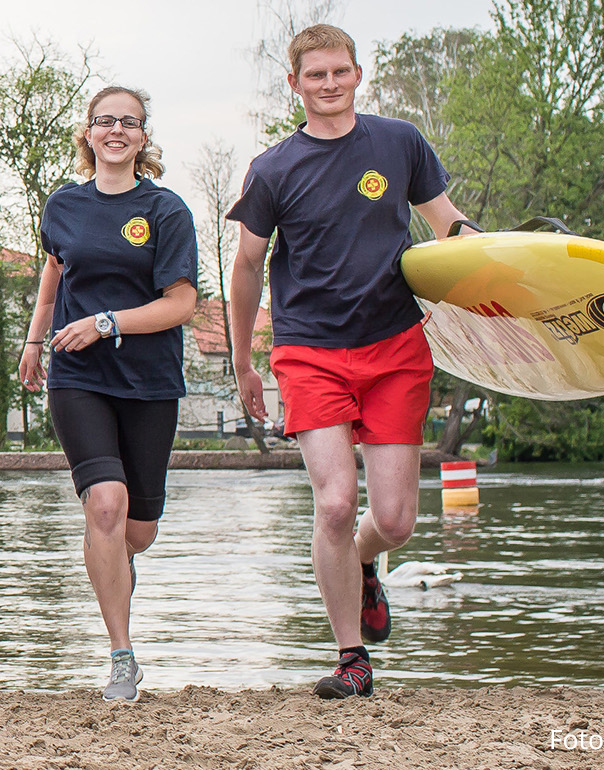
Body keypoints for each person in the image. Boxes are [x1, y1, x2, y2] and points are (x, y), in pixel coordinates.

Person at [225, 24, 470, 699]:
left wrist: (493, 252)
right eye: (316, 75)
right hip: (308, 348)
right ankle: (351, 657)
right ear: (294, 83)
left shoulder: (399, 143)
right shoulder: (273, 169)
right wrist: (246, 360)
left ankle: (366, 566)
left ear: (358, 75)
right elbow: (247, 266)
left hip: (394, 345)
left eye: (340, 72)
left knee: (393, 521)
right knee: (334, 503)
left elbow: (447, 223)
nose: (329, 84)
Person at [16, 86, 198, 702]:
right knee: (105, 505)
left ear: (143, 137)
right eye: (105, 121)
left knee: (136, 531)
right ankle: (122, 654)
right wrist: (34, 342)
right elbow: (53, 275)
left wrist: (108, 322)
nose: (117, 130)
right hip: (79, 378)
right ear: (88, 134)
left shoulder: (167, 210)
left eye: (130, 122)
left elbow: (182, 303)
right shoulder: (63, 204)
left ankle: (118, 563)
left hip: (148, 382)